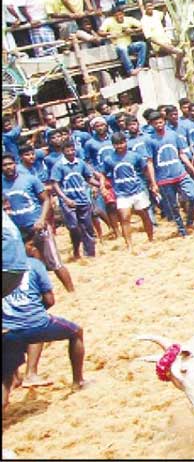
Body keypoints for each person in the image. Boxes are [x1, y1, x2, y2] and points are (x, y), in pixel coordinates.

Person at [2, 232, 89, 391]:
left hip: (7, 328)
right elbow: (50, 300)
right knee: (76, 332)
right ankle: (78, 381)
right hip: (34, 322)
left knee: (7, 365)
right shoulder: (34, 265)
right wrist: (32, 310)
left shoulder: (5, 269)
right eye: (32, 245)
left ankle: (15, 379)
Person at [2, 154, 74, 292]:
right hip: (19, 233)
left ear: (15, 164)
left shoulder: (29, 179)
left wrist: (42, 219)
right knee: (32, 266)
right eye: (4, 165)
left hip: (39, 228)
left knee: (55, 262)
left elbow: (46, 200)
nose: (8, 167)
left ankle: (71, 291)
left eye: (10, 164)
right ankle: (45, 293)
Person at [145, 111, 194, 237]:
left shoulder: (173, 135)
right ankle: (182, 230)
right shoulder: (149, 140)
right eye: (155, 123)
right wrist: (153, 183)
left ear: (164, 121)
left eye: (160, 122)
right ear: (151, 125)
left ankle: (190, 220)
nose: (159, 125)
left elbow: (181, 153)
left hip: (180, 173)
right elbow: (149, 162)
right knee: (173, 207)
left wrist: (192, 169)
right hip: (164, 178)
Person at [99, 132, 157, 253]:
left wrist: (152, 183)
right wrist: (102, 186)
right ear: (113, 145)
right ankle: (129, 245)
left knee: (145, 215)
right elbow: (103, 174)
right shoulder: (109, 159)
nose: (120, 146)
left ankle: (151, 238)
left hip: (137, 190)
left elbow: (145, 169)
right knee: (125, 218)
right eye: (117, 144)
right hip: (121, 193)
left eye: (122, 143)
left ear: (126, 142)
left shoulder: (135, 156)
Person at [49, 140, 99, 260]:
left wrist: (99, 185)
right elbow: (55, 184)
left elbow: (88, 178)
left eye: (72, 150)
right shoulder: (59, 166)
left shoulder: (80, 163)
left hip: (83, 199)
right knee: (74, 227)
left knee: (87, 227)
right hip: (69, 201)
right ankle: (76, 250)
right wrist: (64, 198)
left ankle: (90, 254)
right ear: (63, 151)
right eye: (68, 150)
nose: (71, 152)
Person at [99, 5, 147, 77]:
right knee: (122, 48)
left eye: (120, 15)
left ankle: (139, 67)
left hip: (129, 45)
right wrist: (110, 33)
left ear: (123, 14)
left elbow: (143, 26)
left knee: (142, 44)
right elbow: (100, 32)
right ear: (113, 16)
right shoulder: (109, 21)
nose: (119, 17)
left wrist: (132, 30)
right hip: (117, 47)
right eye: (116, 15)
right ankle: (130, 70)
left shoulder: (128, 19)